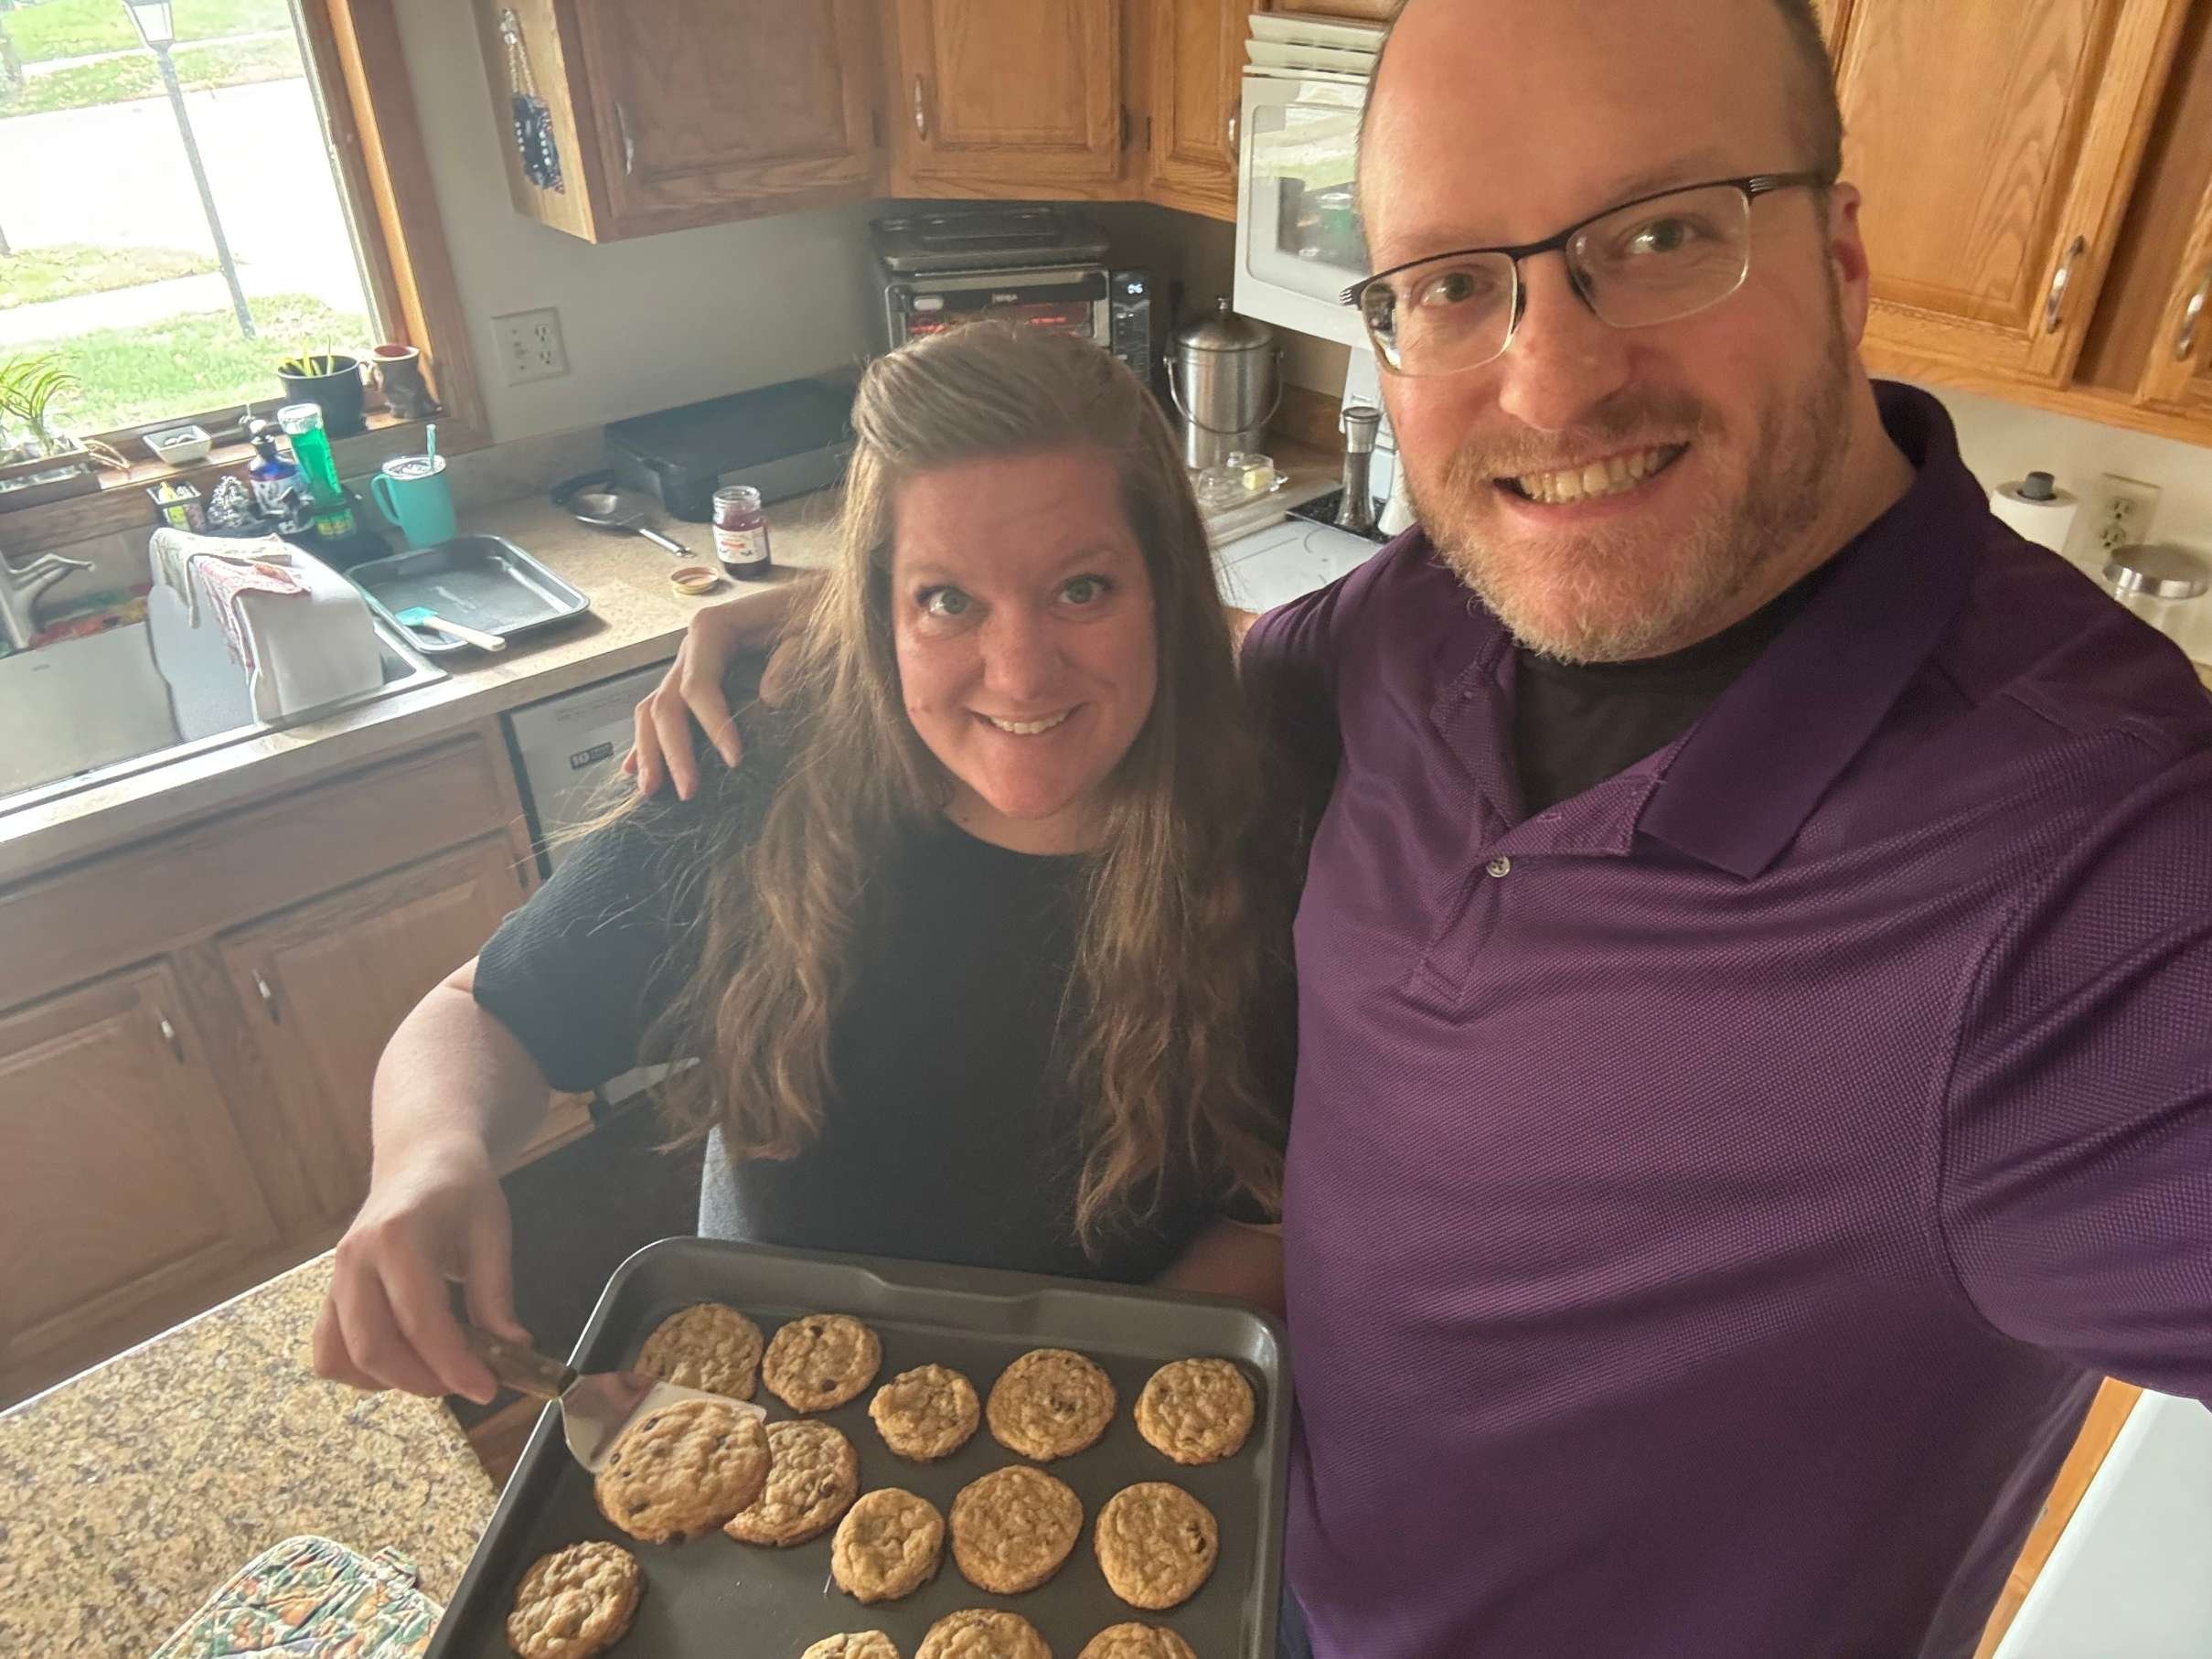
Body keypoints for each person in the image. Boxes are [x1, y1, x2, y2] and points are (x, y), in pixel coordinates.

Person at [635, 2, 2212, 1654]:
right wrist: (897, 622)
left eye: (1665, 233)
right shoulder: (1423, 620)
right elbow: (1163, 677)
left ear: (1837, 256)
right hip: (1271, 1571)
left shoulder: (2085, 879)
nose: (1550, 379)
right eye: (1455, 284)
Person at [311, 324, 1292, 1411]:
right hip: (782, 1401)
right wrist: (424, 1158)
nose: (1019, 674)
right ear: (878, 606)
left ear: (1164, 584)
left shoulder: (1276, 829)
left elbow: (1281, 1219)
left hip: (1116, 1403)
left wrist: (1030, 1406)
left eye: (1082, 590)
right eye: (947, 599)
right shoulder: (755, 773)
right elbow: (482, 1013)